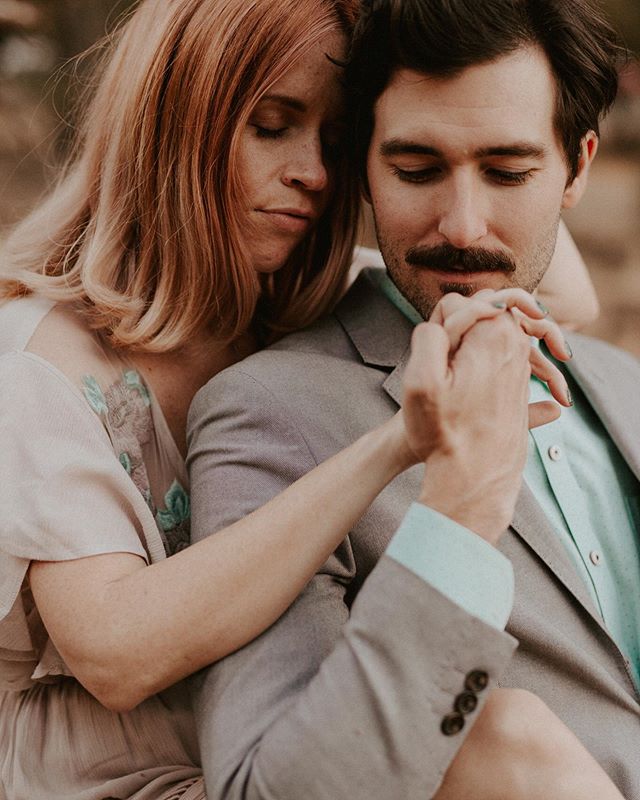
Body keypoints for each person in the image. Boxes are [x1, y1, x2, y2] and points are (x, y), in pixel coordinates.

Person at [0, 0, 594, 798]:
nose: (314, 173)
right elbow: (114, 655)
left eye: (338, 143)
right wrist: (396, 443)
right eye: (272, 126)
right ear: (174, 122)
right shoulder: (37, 361)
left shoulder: (298, 306)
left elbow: (570, 294)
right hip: (113, 780)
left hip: (287, 750)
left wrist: (460, 143)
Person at [186, 0, 639, 798]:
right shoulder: (271, 414)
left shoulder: (623, 381)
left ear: (577, 168)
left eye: (507, 172)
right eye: (417, 170)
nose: (461, 225)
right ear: (363, 168)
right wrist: (460, 511)